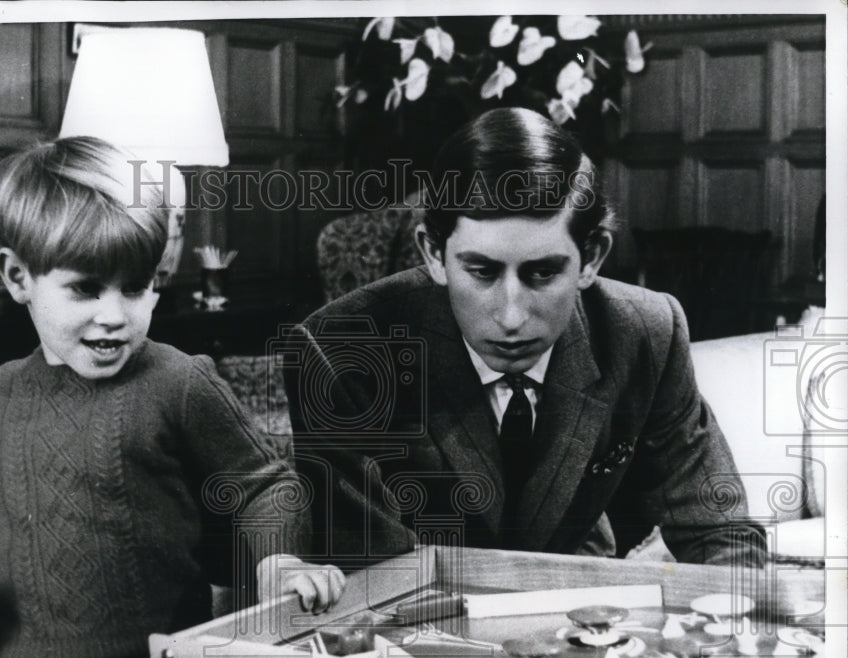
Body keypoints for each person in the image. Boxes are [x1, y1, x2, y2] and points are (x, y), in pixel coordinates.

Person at [0, 136, 345, 658]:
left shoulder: (179, 382)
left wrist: (277, 561)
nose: (115, 315)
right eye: (86, 289)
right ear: (17, 277)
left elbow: (265, 485)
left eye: (136, 288)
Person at [282, 107, 765, 568]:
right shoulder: (340, 352)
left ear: (591, 257)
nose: (511, 317)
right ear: (432, 253)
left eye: (541, 274)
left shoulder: (646, 331)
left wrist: (731, 624)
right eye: (482, 272)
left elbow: (719, 532)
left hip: (584, 607)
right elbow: (372, 572)